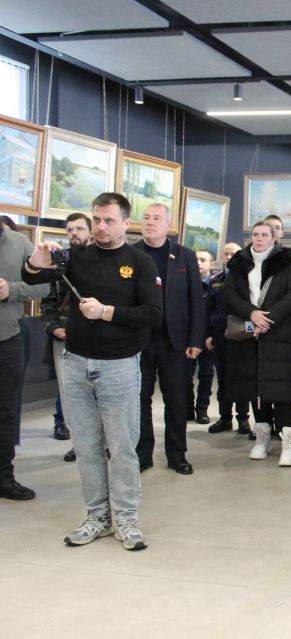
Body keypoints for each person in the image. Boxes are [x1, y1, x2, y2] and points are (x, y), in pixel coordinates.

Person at [23, 192, 162, 548]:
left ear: (125, 223)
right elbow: (33, 277)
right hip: (76, 363)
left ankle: (126, 518)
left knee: (122, 447)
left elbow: (153, 314)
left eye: (109, 221)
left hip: (120, 365)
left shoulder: (140, 262)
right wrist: (35, 261)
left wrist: (106, 312)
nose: (101, 227)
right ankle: (97, 515)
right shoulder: (76, 257)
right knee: (86, 446)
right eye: (96, 219)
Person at [222, 221, 291, 466]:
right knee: (255, 388)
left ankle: (289, 444)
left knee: (281, 389)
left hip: (279, 334)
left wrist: (267, 318)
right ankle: (262, 439)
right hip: (249, 334)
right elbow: (229, 295)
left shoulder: (288, 262)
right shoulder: (239, 263)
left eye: (264, 234)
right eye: (255, 234)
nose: (259, 238)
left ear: (274, 238)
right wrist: (252, 314)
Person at [132, 203, 204, 476]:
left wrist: (195, 339)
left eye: (156, 218)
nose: (150, 222)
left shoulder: (185, 256)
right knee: (140, 399)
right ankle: (143, 453)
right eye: (146, 218)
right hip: (139, 340)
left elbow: (196, 300)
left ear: (168, 225)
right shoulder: (131, 253)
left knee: (176, 400)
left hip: (176, 341)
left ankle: (177, 454)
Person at [0, 219, 49, 500]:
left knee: (5, 412)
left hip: (7, 340)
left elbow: (44, 286)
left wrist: (12, 290)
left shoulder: (18, 242)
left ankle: (3, 478)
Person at [40, 213, 92, 463]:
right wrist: (54, 328)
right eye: (70, 229)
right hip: (64, 337)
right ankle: (78, 444)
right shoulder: (59, 262)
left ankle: (100, 442)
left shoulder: (101, 261)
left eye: (80, 228)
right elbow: (48, 300)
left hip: (95, 338)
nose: (74, 233)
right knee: (71, 394)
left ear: (90, 231)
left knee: (97, 394)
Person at [205, 242, 251, 434]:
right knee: (223, 377)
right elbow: (208, 308)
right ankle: (225, 418)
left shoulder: (248, 278)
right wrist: (208, 334)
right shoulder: (215, 280)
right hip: (219, 333)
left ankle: (243, 419)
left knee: (241, 377)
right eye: (226, 254)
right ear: (222, 257)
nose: (229, 257)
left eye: (233, 254)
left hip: (240, 334)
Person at [185, 248, 216, 425]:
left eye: (203, 260)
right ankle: (188, 407)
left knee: (206, 374)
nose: (198, 263)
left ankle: (202, 409)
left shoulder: (216, 284)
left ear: (211, 264)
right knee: (185, 374)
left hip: (207, 337)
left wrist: (212, 335)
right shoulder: (186, 282)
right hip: (188, 337)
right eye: (196, 259)